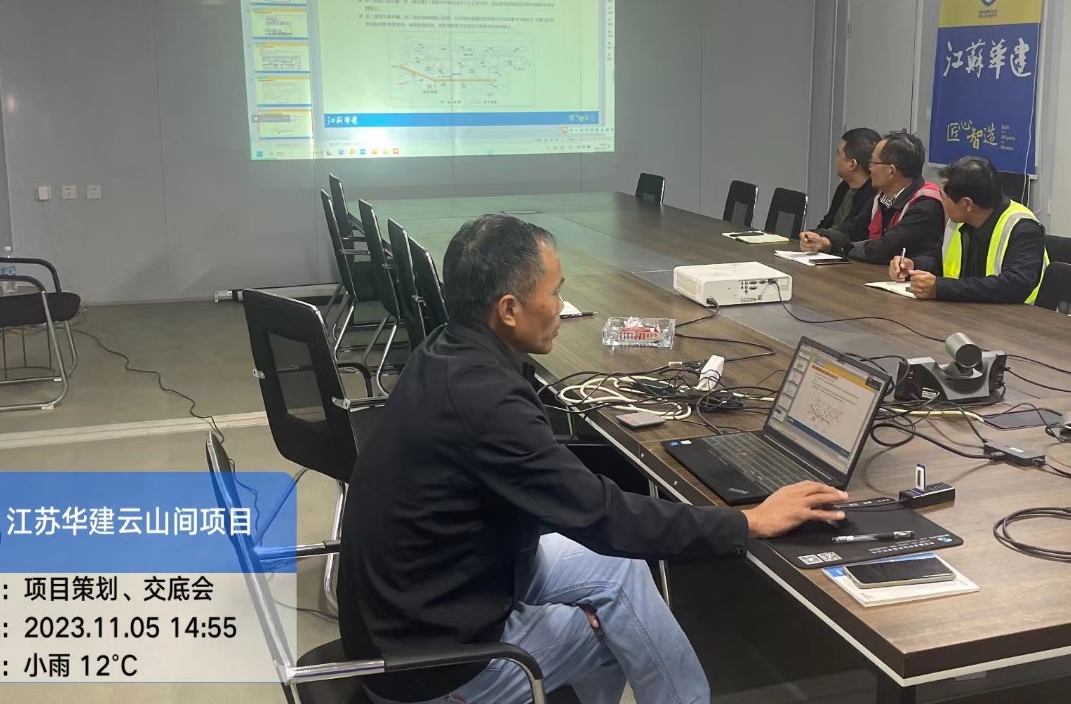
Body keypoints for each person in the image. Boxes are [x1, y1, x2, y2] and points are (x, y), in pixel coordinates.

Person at [339, 214, 848, 704]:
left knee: (622, 574)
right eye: (555, 292)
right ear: (509, 309)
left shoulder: (447, 350)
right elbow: (602, 516)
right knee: (619, 633)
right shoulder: (485, 402)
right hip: (431, 667)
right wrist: (748, 522)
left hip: (430, 598)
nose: (562, 306)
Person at [889, 155, 1048, 303]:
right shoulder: (958, 221)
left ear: (967, 204)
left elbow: (1015, 285)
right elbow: (938, 261)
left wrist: (942, 288)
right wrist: (913, 266)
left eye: (944, 198)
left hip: (1018, 318)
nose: (941, 204)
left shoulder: (1023, 228)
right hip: (965, 312)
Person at [798, 131, 943, 265]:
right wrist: (823, 240)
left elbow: (885, 248)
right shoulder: (882, 197)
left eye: (873, 163)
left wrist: (842, 248)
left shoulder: (925, 204)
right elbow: (852, 231)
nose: (869, 169)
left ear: (891, 171)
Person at [814, 127, 881, 232]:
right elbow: (827, 222)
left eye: (838, 154)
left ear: (852, 164)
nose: (836, 159)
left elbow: (852, 234)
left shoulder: (872, 198)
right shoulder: (844, 187)